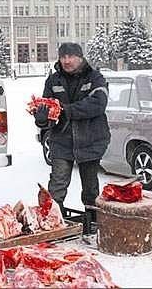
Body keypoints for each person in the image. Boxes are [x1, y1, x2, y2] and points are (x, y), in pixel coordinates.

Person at [34, 42, 111, 231]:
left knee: (90, 185)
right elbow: (48, 114)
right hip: (62, 140)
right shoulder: (53, 81)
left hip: (91, 138)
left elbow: (98, 104)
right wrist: (42, 119)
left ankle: (93, 221)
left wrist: (66, 111)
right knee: (57, 184)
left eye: (71, 56)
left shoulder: (95, 78)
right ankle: (52, 222)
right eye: (63, 56)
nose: (67, 61)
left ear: (80, 57)